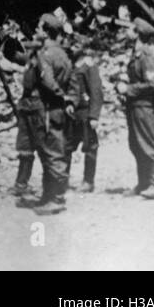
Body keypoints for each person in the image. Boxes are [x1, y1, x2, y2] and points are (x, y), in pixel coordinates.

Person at [15, 14, 74, 215]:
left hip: (46, 108)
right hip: (49, 107)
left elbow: (48, 82)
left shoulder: (47, 54)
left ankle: (57, 198)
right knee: (49, 152)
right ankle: (49, 196)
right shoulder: (60, 53)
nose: (36, 31)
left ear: (47, 31)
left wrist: (61, 96)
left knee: (51, 153)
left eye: (39, 28)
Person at [123, 18, 154, 199]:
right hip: (134, 106)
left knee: (148, 145)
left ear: (137, 33)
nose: (125, 32)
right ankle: (143, 183)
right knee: (136, 145)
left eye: (129, 29)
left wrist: (128, 89)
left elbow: (152, 84)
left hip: (144, 107)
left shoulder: (147, 56)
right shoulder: (136, 55)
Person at [66, 36, 104, 193]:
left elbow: (96, 91)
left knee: (90, 147)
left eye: (77, 45)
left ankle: (88, 181)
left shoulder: (88, 65)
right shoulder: (71, 63)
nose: (73, 48)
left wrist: (94, 116)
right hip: (73, 111)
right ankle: (63, 178)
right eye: (72, 45)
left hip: (86, 111)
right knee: (67, 146)